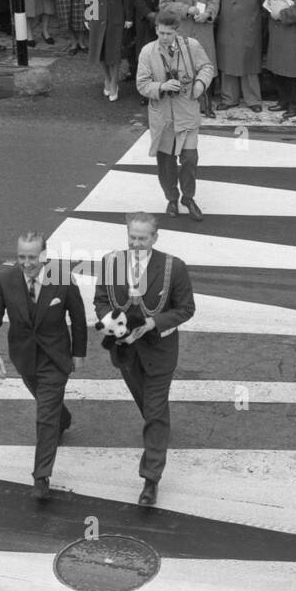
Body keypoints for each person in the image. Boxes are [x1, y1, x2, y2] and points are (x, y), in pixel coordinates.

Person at [94, 212, 196, 506]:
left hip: (159, 352)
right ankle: (159, 430)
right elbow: (101, 300)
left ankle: (150, 480)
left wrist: (153, 323)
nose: (136, 243)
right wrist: (108, 320)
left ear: (155, 238)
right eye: (132, 237)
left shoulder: (174, 267)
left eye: (143, 238)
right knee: (148, 405)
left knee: (154, 411)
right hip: (125, 352)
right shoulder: (111, 263)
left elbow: (186, 308)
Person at [0, 230, 88, 503]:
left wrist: (78, 353)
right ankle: (64, 419)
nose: (26, 263)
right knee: (48, 406)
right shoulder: (5, 280)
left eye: (31, 257)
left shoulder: (61, 278)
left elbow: (77, 317)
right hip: (25, 358)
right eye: (21, 257)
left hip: (55, 358)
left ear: (44, 255)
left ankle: (41, 476)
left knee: (45, 416)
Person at [136, 6, 213, 219]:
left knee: (190, 158)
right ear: (156, 30)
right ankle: (171, 199)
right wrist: (161, 87)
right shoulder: (147, 52)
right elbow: (142, 85)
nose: (164, 37)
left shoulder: (192, 46)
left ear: (177, 31)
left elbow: (207, 67)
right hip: (162, 117)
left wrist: (200, 83)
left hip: (187, 112)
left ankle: (188, 197)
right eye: (160, 33)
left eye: (169, 34)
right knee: (166, 164)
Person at [214, 0, 271, 112]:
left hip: (250, 30)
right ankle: (229, 98)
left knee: (250, 66)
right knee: (228, 64)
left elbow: (265, 8)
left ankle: (253, 100)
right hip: (226, 29)